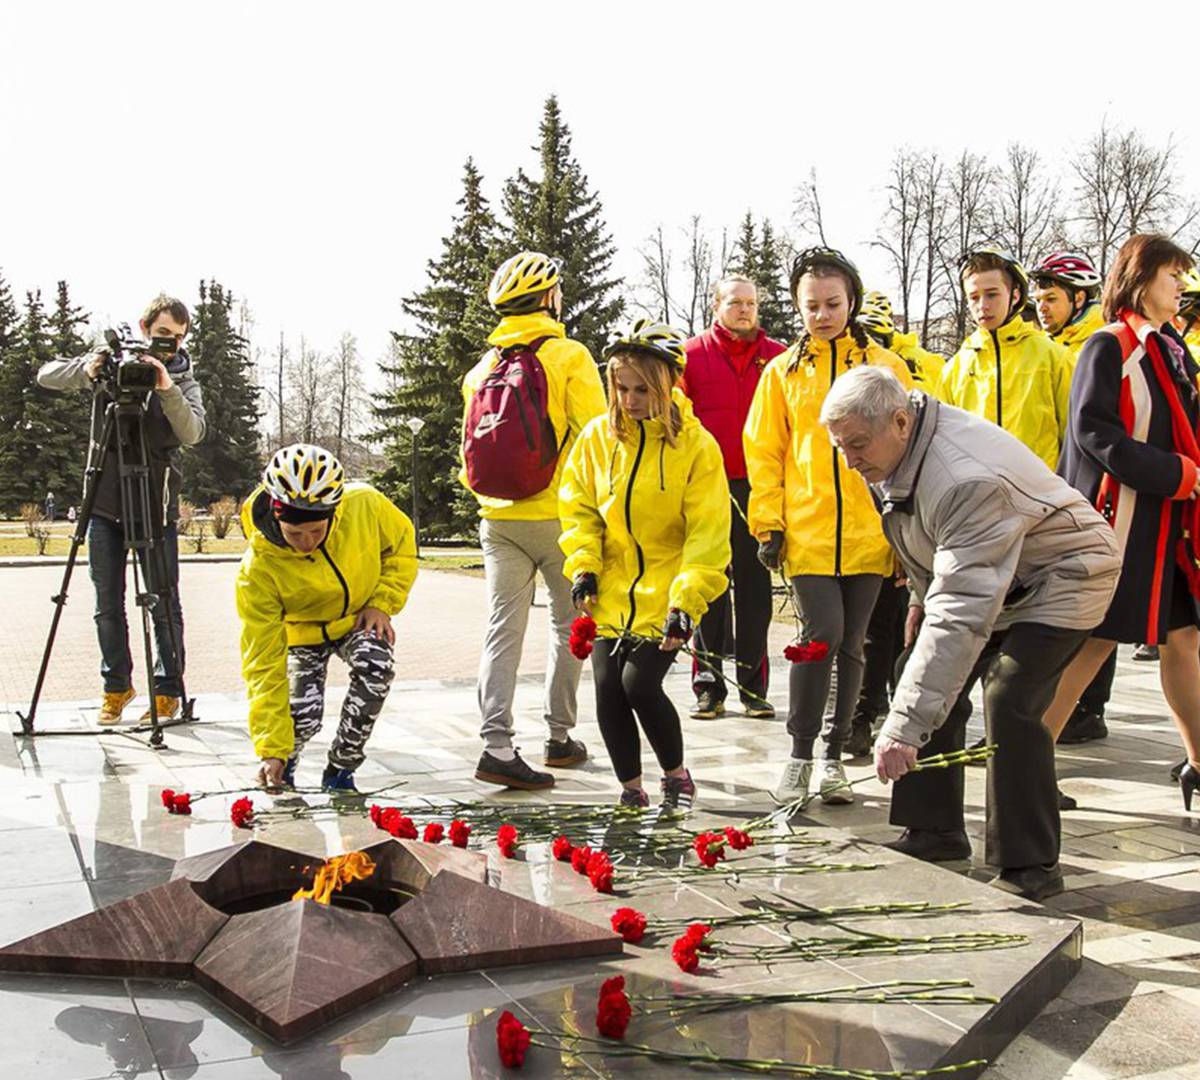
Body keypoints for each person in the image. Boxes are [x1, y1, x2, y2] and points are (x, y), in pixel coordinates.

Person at [821, 366, 1120, 901]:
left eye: (857, 445)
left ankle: (1030, 864)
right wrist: (919, 597)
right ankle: (934, 831)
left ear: (899, 421)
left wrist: (903, 729)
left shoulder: (964, 476)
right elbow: (931, 540)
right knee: (911, 667)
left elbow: (961, 609)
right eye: (841, 447)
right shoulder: (890, 452)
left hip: (1067, 574)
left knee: (1010, 694)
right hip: (1003, 578)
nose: (850, 460)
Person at [744, 247, 912, 807]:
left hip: (871, 533)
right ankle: (798, 756)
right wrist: (768, 523)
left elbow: (909, 444)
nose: (822, 315)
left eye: (833, 303)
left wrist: (905, 526)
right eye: (811, 305)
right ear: (797, 307)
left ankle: (833, 757)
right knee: (821, 638)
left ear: (852, 300)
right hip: (807, 533)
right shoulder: (782, 373)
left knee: (856, 644)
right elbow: (764, 451)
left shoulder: (886, 366)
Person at [1042, 234, 1200, 807]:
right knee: (1094, 644)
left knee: (1183, 638)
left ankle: (1199, 765)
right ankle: (1027, 766)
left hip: (1167, 527)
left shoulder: (1171, 348)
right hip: (1124, 525)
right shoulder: (1109, 346)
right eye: (1172, 275)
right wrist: (1174, 473)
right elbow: (1093, 433)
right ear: (1140, 279)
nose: (1181, 285)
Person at [559, 319, 731, 813]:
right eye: (621, 387)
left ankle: (675, 774)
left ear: (670, 385)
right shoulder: (596, 439)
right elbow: (579, 509)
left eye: (642, 389)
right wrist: (584, 565)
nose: (630, 399)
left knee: (640, 683)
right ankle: (631, 787)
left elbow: (707, 532)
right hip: (610, 589)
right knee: (609, 687)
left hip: (668, 591)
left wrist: (687, 600)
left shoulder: (697, 447)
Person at [461, 251, 607, 791]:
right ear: (550, 299)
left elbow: (467, 457)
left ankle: (496, 743)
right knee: (568, 626)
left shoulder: (481, 369)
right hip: (559, 516)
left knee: (503, 627)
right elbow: (597, 437)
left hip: (496, 519)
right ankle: (559, 738)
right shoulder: (569, 356)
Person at [36, 294, 206, 726]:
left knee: (163, 601)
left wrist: (166, 389)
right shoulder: (111, 362)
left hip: (154, 504)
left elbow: (192, 432)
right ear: (145, 326)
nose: (170, 344)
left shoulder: (183, 377)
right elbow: (46, 374)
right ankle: (116, 686)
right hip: (104, 503)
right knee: (106, 603)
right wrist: (89, 366)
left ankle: (169, 689)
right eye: (163, 333)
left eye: (179, 338)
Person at [236, 444, 417, 792]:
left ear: (334, 512)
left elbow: (403, 546)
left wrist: (382, 602)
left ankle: (341, 767)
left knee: (376, 663)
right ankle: (284, 764)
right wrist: (273, 748)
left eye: (317, 532)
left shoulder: (366, 504)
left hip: (356, 618)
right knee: (301, 717)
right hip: (301, 632)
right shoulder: (257, 570)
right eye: (295, 534)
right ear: (276, 516)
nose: (307, 543)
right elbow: (262, 662)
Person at [678, 274, 786, 720]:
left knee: (756, 591)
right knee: (710, 588)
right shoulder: (690, 356)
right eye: (735, 303)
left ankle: (753, 688)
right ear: (716, 306)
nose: (744, 310)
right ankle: (709, 687)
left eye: (751, 304)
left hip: (761, 489)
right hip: (708, 488)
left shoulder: (778, 358)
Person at [847, 290, 947, 756]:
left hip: (915, 506)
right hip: (873, 515)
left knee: (902, 624)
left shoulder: (909, 365)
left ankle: (897, 704)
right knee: (878, 626)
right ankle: (867, 712)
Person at [1029, 250, 1113, 744]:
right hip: (1055, 490)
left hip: (1085, 492)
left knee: (1095, 606)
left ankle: (1088, 708)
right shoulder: (1052, 345)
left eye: (1052, 297)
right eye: (1038, 298)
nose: (1042, 306)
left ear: (1080, 298)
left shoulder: (1093, 347)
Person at [939, 248, 1072, 470]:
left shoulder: (1053, 357)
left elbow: (1073, 439)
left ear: (1016, 295)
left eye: (992, 294)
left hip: (1042, 498)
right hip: (978, 498)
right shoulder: (954, 369)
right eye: (974, 297)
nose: (982, 306)